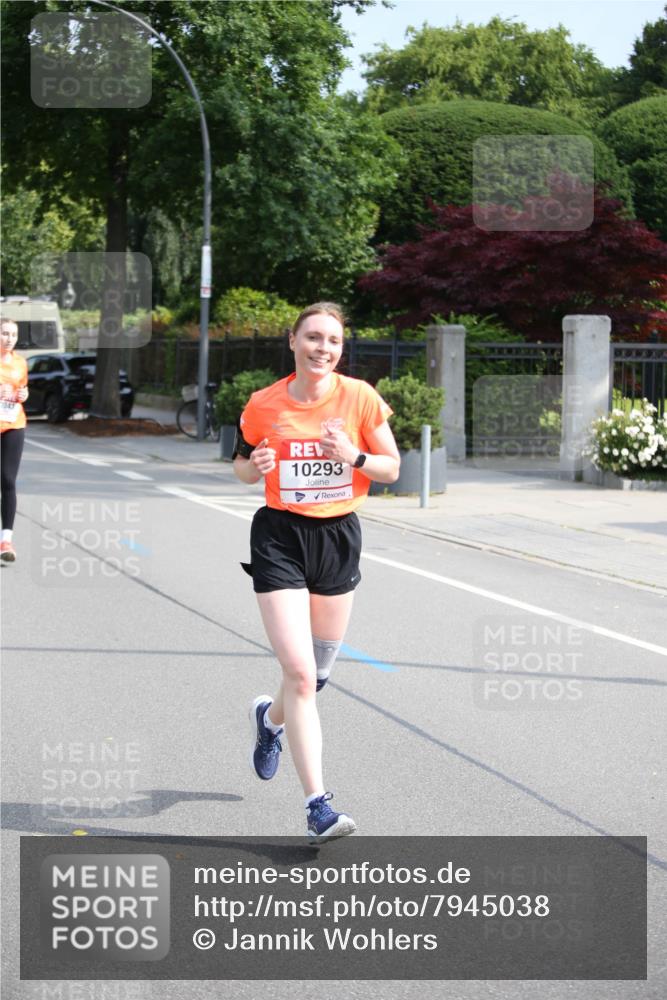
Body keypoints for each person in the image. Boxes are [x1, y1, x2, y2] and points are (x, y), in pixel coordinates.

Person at [233, 302, 400, 843]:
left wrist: (353, 456)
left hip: (337, 538)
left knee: (318, 674)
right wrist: (251, 467)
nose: (323, 348)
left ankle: (270, 720)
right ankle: (318, 806)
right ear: (293, 342)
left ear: (340, 349)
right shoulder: (264, 403)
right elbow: (240, 465)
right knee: (301, 674)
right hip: (279, 535)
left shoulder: (359, 397)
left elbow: (393, 469)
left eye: (332, 340)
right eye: (313, 338)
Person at [0, 319, 29, 563]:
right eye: (5, 333)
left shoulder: (21, 363)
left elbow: (23, 388)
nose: (9, 338)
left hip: (14, 424)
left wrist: (24, 393)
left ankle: (5, 540)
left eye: (13, 334)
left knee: (8, 480)